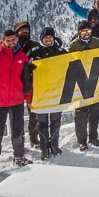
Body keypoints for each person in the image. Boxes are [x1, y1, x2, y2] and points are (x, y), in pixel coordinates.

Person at [0, 30, 33, 177]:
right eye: (8, 40)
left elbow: (26, 81)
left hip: (16, 100)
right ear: (3, 41)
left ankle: (19, 156)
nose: (11, 43)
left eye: (13, 40)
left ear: (17, 40)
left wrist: (28, 99)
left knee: (18, 130)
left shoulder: (22, 57)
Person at [28, 27, 66, 158]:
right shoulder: (34, 52)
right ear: (41, 39)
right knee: (42, 122)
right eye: (45, 37)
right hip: (41, 93)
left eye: (50, 37)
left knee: (56, 120)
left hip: (57, 92)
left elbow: (72, 66)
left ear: (54, 38)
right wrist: (29, 69)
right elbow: (25, 72)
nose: (48, 39)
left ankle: (54, 144)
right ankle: (44, 147)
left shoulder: (61, 52)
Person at [68, 20, 99, 150]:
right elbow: (69, 62)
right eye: (83, 32)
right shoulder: (73, 45)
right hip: (80, 82)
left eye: (88, 31)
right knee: (81, 114)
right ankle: (82, 140)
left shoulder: (96, 42)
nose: (86, 34)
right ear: (79, 33)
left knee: (95, 111)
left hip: (94, 80)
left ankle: (93, 137)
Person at [13, 20, 41, 147]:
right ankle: (18, 142)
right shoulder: (12, 47)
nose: (24, 31)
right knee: (16, 117)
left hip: (32, 83)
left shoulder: (35, 45)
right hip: (15, 85)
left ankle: (33, 138)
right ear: (16, 32)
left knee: (33, 114)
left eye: (26, 29)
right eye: (21, 29)